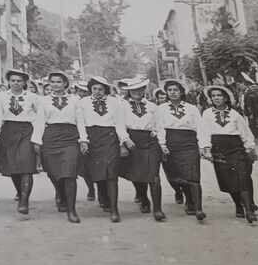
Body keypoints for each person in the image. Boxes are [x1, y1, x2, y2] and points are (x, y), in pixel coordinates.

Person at [0, 69, 44, 217]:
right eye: (13, 80)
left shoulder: (33, 97)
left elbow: (40, 117)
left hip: (26, 131)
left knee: (26, 165)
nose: (16, 83)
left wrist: (37, 137)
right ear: (8, 82)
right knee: (12, 166)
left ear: (24, 82)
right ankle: (20, 191)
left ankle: (24, 201)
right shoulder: (1, 97)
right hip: (9, 131)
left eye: (19, 80)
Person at [200, 85, 258, 224]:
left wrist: (249, 148)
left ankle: (249, 210)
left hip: (235, 148)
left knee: (242, 177)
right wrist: (206, 148)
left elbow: (245, 131)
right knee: (227, 179)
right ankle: (238, 205)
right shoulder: (207, 113)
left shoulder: (235, 114)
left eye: (219, 95)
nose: (216, 98)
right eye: (213, 96)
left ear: (226, 98)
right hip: (218, 149)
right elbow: (204, 132)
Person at [39, 71, 88, 223]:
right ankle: (60, 193)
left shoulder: (75, 100)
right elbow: (39, 121)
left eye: (59, 82)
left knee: (69, 173)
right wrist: (36, 141)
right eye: (52, 82)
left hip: (70, 137)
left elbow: (80, 120)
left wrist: (83, 139)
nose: (55, 84)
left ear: (65, 83)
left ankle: (72, 210)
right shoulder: (44, 101)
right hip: (51, 137)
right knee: (53, 172)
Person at [80, 76, 131, 223]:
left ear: (106, 90)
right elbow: (81, 123)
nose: (97, 91)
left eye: (100, 89)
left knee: (111, 173)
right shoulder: (83, 103)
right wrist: (83, 140)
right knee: (98, 172)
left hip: (110, 138)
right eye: (94, 88)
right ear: (90, 89)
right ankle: (103, 198)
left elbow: (120, 124)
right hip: (92, 139)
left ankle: (114, 210)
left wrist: (123, 141)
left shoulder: (115, 103)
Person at [156, 79, 205, 222]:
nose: (173, 93)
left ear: (181, 92)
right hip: (171, 143)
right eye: (170, 90)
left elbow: (200, 127)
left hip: (189, 144)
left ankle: (198, 208)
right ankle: (186, 197)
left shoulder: (192, 108)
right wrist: (162, 144)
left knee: (193, 176)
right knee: (175, 176)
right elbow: (159, 127)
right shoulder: (162, 109)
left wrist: (203, 146)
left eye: (175, 90)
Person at [118, 79, 166, 221]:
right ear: (129, 92)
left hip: (150, 142)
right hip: (132, 140)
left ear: (144, 89)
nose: (137, 93)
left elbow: (160, 124)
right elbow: (119, 125)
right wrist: (126, 139)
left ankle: (158, 209)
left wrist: (157, 135)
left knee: (154, 175)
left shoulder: (152, 106)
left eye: (140, 90)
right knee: (137, 173)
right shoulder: (123, 106)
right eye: (134, 91)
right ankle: (144, 198)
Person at [73, 81, 96, 202]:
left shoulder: (92, 102)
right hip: (76, 135)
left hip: (93, 134)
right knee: (84, 166)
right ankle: (91, 188)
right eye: (80, 91)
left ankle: (101, 189)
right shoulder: (73, 101)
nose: (83, 93)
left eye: (85, 91)